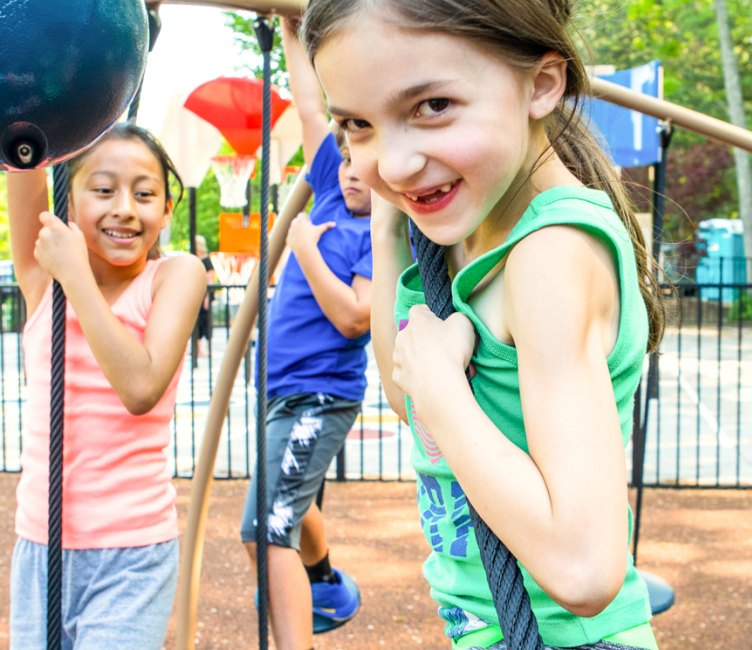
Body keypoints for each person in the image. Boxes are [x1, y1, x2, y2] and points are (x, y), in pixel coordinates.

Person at [302, 1, 667, 648]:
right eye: (358, 124)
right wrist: (390, 230)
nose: (393, 163)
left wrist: (443, 388)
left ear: (541, 85)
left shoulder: (549, 253)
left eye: (432, 105)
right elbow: (410, 399)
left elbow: (585, 570)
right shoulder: (465, 230)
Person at [6, 122, 208, 648]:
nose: (124, 208)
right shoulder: (40, 276)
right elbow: (19, 138)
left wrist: (75, 277)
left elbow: (140, 387)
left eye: (145, 194)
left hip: (132, 551)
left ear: (166, 211)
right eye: (102, 190)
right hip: (41, 543)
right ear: (67, 203)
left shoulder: (175, 276)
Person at [237, 15, 371, 649]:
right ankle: (324, 581)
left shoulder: (383, 233)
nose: (349, 170)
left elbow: (354, 316)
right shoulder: (328, 195)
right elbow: (311, 103)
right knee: (295, 497)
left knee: (264, 529)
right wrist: (294, 32)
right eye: (342, 159)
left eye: (361, 161)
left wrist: (303, 250)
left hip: (320, 393)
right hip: (284, 389)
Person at [193, 234, 216, 357]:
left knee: (206, 322)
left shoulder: (206, 261)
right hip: (197, 295)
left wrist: (207, 297)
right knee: (197, 322)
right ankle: (198, 348)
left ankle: (206, 349)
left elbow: (210, 280)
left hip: (204, 295)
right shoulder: (194, 259)